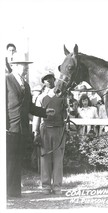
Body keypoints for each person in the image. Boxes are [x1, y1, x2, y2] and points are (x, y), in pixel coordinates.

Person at [6, 53, 55, 198]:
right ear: (14, 66)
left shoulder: (26, 86)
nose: (25, 68)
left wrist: (45, 112)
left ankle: (13, 191)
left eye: (26, 65)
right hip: (8, 129)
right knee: (7, 159)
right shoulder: (6, 80)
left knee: (16, 160)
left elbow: (30, 107)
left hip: (22, 129)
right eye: (22, 65)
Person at [32, 71, 68, 195]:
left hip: (59, 129)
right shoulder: (41, 97)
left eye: (51, 78)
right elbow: (37, 116)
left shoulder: (62, 95)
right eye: (46, 79)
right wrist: (35, 132)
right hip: (45, 129)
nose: (49, 81)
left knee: (58, 158)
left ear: (54, 79)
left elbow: (66, 114)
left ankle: (57, 186)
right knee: (45, 157)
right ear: (43, 82)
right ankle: (45, 186)